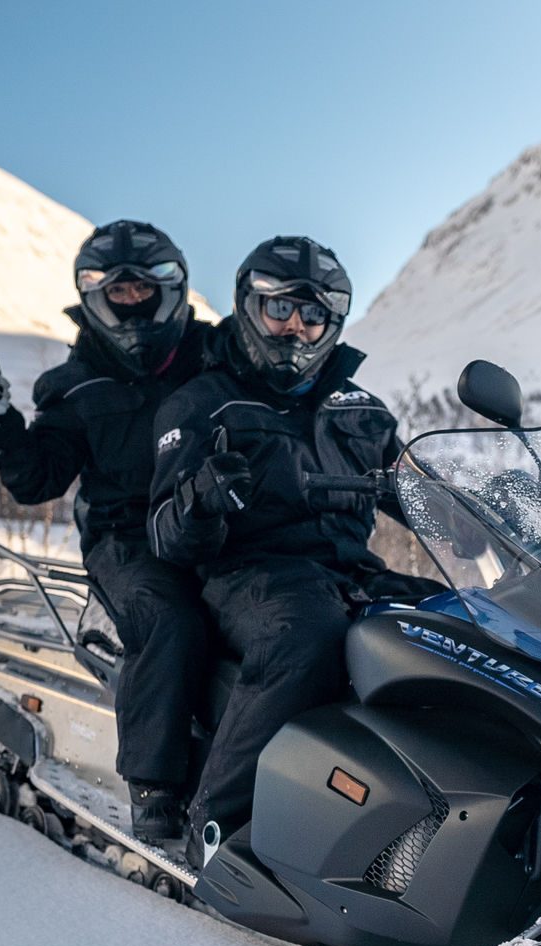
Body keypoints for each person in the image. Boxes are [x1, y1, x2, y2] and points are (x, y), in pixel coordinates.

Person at [147, 235, 408, 864]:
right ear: (248, 308)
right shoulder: (204, 403)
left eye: (313, 314)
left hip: (350, 571)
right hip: (249, 573)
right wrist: (201, 501)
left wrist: (491, 502)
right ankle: (217, 824)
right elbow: (162, 531)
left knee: (456, 624)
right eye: (280, 310)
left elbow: (419, 490)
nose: (297, 328)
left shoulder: (361, 410)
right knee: (305, 635)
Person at [0, 219, 211, 850]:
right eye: (116, 292)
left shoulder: (215, 355)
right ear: (95, 297)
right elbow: (38, 479)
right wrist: (3, 429)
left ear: (169, 290)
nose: (130, 303)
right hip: (127, 539)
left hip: (217, 523)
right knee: (168, 617)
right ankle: (155, 789)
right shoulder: (77, 386)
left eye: (141, 290)